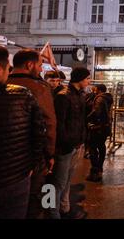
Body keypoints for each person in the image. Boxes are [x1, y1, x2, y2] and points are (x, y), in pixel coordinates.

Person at [0, 44, 46, 219]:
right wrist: (32, 166)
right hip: (14, 181)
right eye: (8, 67)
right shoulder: (22, 95)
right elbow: (39, 134)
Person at [7, 49, 57, 219]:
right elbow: (49, 123)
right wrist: (50, 153)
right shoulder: (39, 88)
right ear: (29, 65)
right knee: (36, 196)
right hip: (32, 154)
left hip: (2, 156)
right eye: (40, 65)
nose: (41, 69)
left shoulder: (0, 82)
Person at [48, 67, 90, 219]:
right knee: (56, 183)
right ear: (79, 79)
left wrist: (81, 140)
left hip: (75, 145)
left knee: (65, 181)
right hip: (64, 147)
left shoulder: (80, 95)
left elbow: (79, 120)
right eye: (87, 78)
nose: (89, 81)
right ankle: (51, 213)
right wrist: (66, 143)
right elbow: (59, 124)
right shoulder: (63, 96)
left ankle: (63, 209)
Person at [86, 84, 113, 182]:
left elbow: (96, 112)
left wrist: (86, 118)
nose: (94, 91)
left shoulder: (99, 99)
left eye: (96, 89)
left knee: (93, 148)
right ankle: (100, 168)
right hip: (105, 127)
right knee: (101, 147)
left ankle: (95, 170)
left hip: (97, 128)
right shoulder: (107, 98)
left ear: (99, 90)